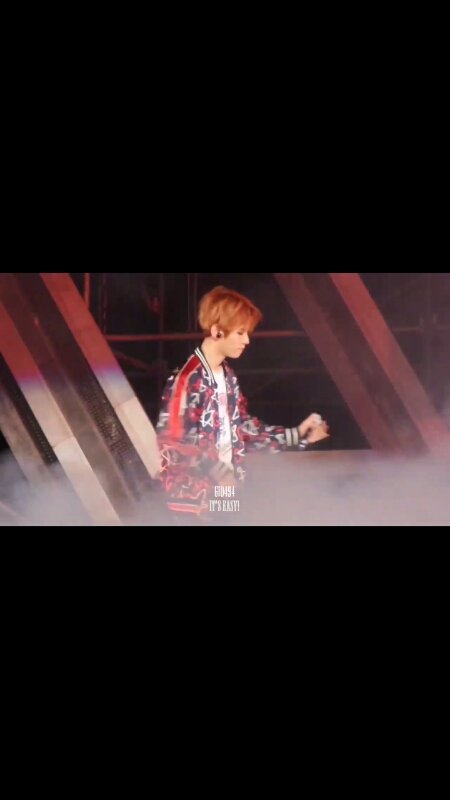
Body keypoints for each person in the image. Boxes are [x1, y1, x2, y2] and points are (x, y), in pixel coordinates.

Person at [156, 285, 329, 520]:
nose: (247, 340)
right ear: (217, 331)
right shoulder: (188, 379)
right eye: (240, 332)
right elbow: (173, 443)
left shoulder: (227, 377)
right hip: (192, 503)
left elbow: (243, 430)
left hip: (223, 495)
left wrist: (297, 434)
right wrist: (218, 472)